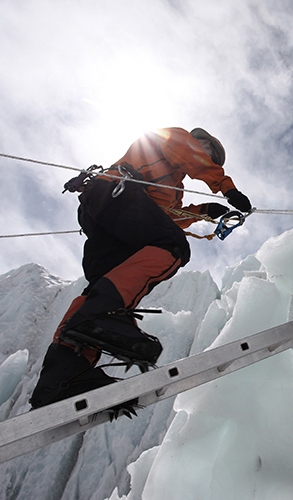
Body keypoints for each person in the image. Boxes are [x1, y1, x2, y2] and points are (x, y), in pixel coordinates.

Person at [30, 127, 251, 409]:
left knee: (102, 283)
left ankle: (63, 375)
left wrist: (204, 211)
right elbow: (193, 160)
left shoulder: (172, 181)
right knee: (173, 247)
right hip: (117, 195)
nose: (209, 161)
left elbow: (162, 214)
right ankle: (101, 315)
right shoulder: (176, 138)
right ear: (204, 144)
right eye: (211, 157)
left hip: (107, 208)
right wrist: (228, 189)